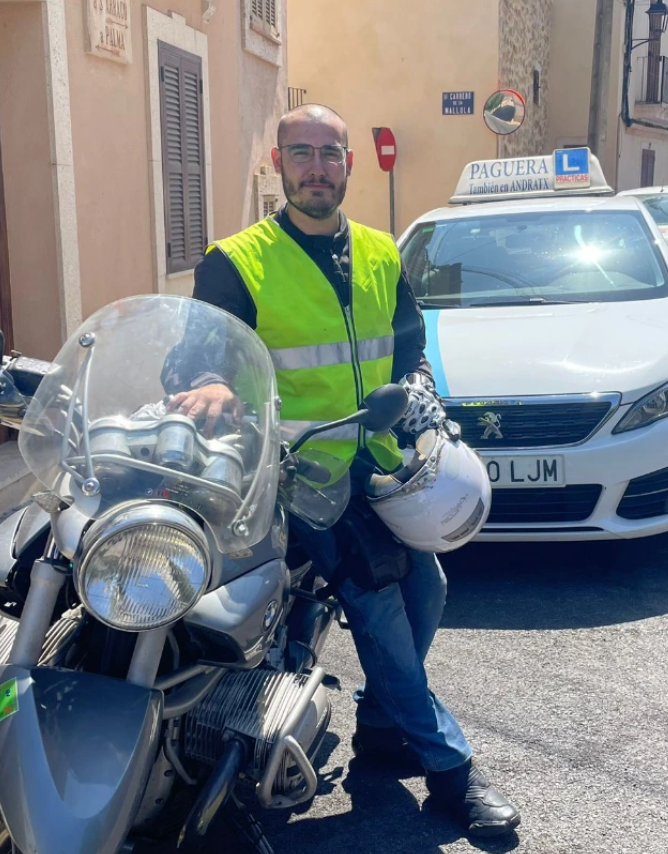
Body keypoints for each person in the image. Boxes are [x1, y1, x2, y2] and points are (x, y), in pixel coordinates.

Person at [176, 103, 520, 838]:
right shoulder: (235, 261)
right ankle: (452, 774)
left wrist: (421, 387)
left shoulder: (380, 253)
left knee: (429, 589)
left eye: (330, 154)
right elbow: (203, 354)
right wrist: (211, 382)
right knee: (381, 613)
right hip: (297, 478)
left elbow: (409, 348)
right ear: (278, 164)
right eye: (301, 153)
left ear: (349, 166)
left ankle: (383, 730)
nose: (316, 168)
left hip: (383, 469)